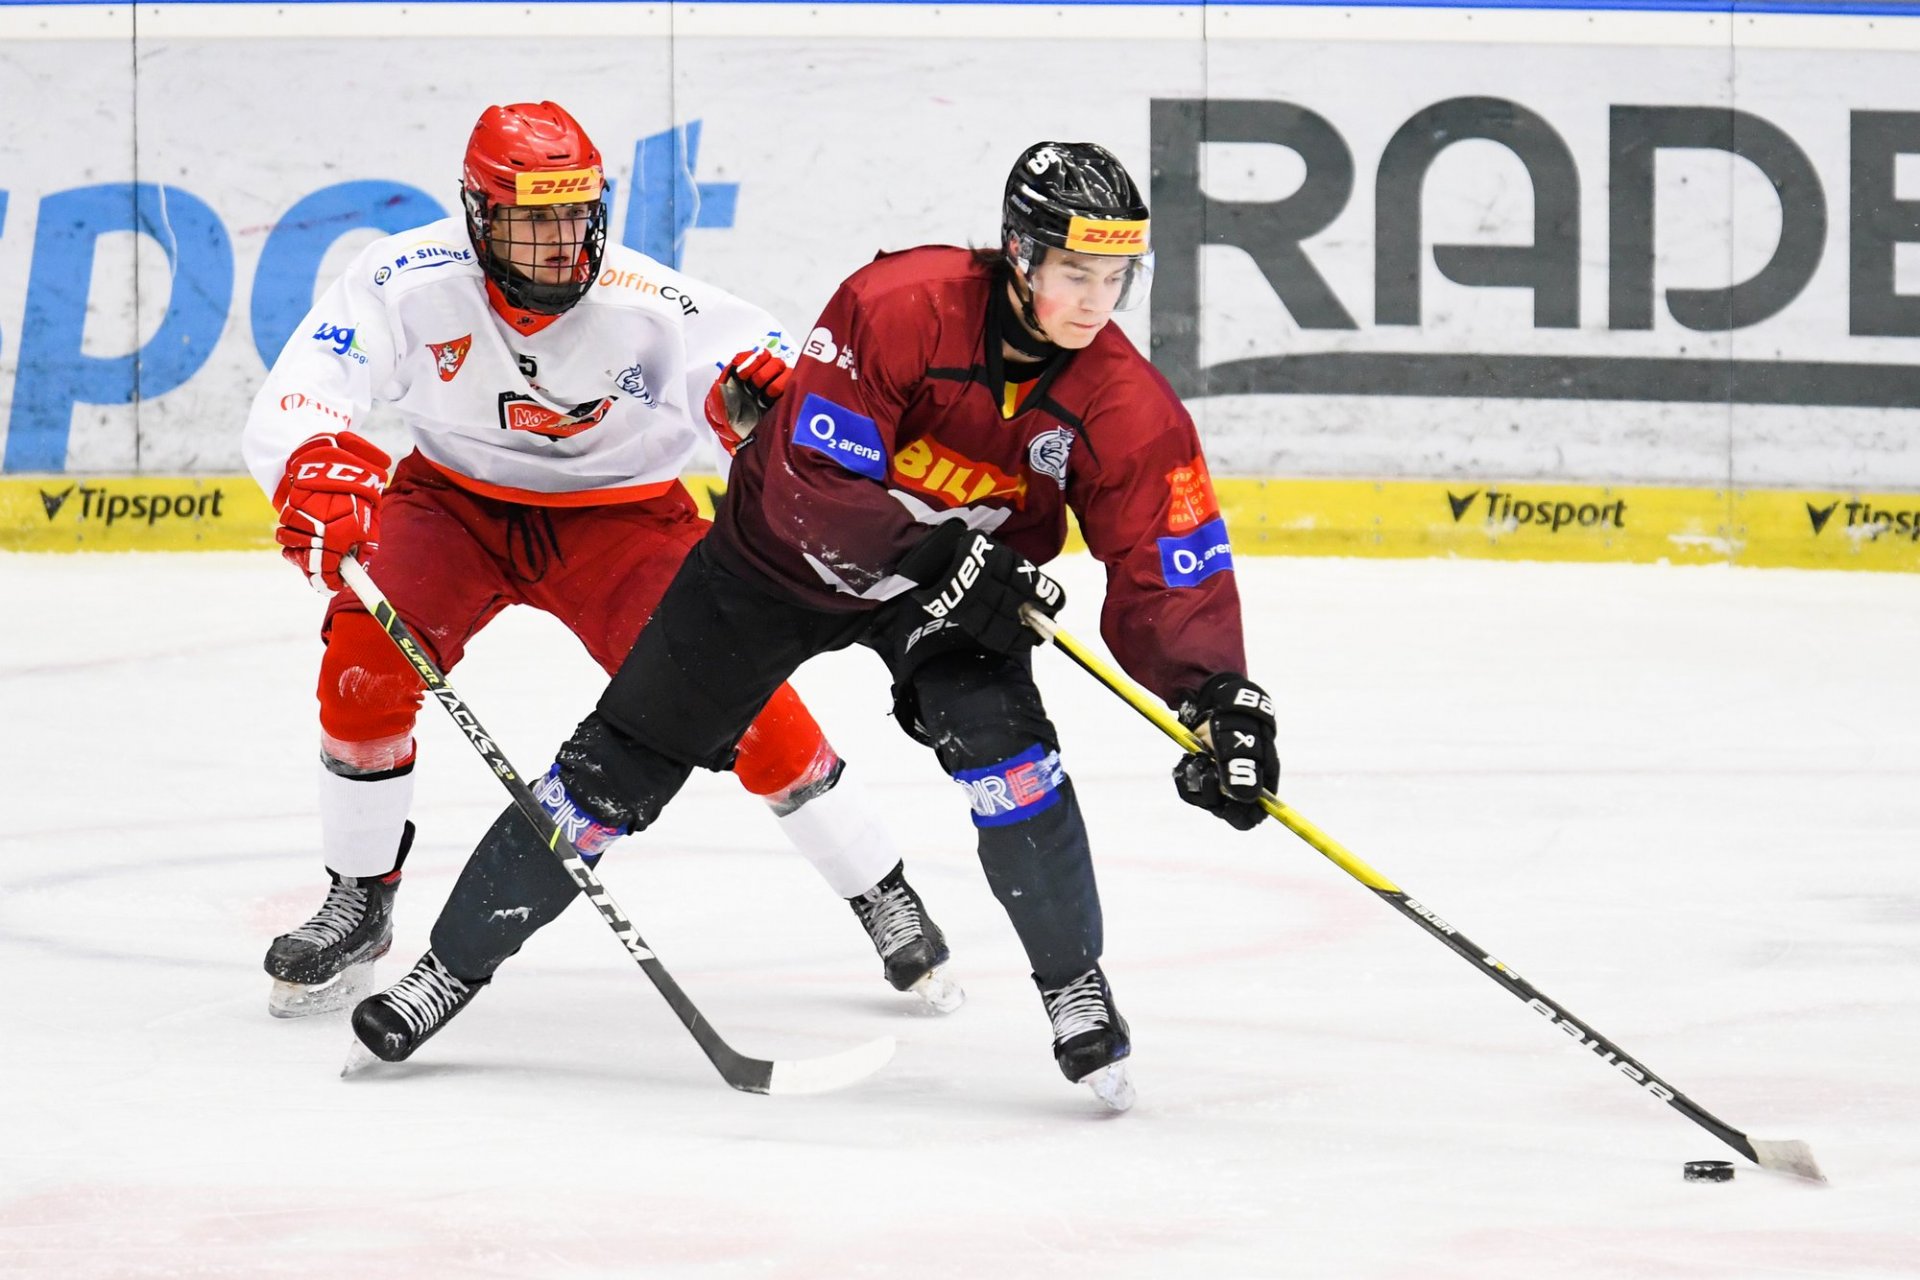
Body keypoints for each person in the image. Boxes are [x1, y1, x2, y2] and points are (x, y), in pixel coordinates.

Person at [351, 140, 1278, 1111]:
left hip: (945, 600)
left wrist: (1217, 696)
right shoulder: (899, 305)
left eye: (1116, 278)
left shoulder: (1128, 404)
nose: (1096, 301)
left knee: (1013, 763)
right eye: (1076, 273)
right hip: (772, 567)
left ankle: (1074, 985)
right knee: (608, 772)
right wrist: (942, 556)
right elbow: (810, 483)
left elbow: (1170, 565)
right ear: (1020, 254)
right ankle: (444, 971)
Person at [242, 101, 962, 1021]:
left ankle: (881, 891)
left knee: (747, 704)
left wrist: (771, 414)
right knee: (361, 667)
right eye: (532, 220)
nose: (560, 244)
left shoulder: (649, 301)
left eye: (576, 216)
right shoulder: (403, 279)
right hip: (452, 505)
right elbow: (313, 381)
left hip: (623, 520)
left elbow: (767, 376)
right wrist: (311, 459)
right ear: (478, 215)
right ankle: (358, 899)